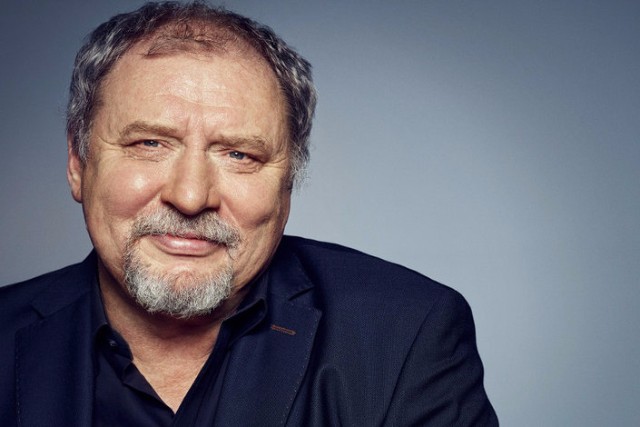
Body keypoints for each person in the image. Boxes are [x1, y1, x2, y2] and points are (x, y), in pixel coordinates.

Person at [0, 2, 498, 426]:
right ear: (78, 163)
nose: (190, 197)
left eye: (239, 154)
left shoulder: (405, 335)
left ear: (289, 178)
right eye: (149, 143)